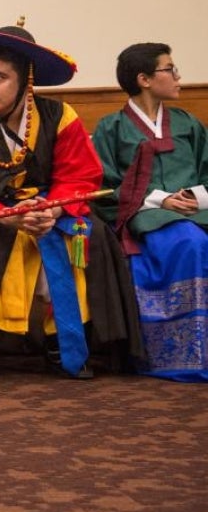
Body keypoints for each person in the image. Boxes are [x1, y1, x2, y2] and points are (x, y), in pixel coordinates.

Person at [0, 18, 141, 382]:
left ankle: (63, 339)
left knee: (88, 234)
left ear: (26, 81)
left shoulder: (59, 115)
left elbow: (80, 175)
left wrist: (53, 208)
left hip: (46, 207)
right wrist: (2, 215)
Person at [92, 43, 207, 381]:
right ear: (144, 78)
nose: (178, 76)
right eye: (170, 68)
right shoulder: (111, 128)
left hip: (196, 209)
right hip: (143, 215)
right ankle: (182, 355)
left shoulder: (189, 124)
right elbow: (103, 186)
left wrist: (193, 196)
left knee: (193, 236)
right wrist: (160, 200)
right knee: (191, 244)